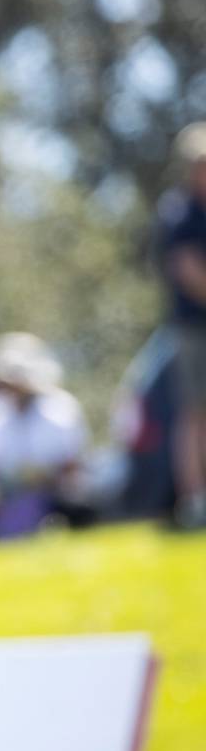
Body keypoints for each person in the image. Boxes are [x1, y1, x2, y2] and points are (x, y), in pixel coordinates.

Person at [0, 333, 92, 538]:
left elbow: (72, 466)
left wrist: (44, 482)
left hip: (53, 494)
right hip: (2, 496)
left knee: (79, 504)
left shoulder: (62, 408)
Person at [156, 123, 206, 527]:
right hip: (194, 329)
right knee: (194, 415)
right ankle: (193, 501)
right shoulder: (180, 212)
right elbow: (188, 271)